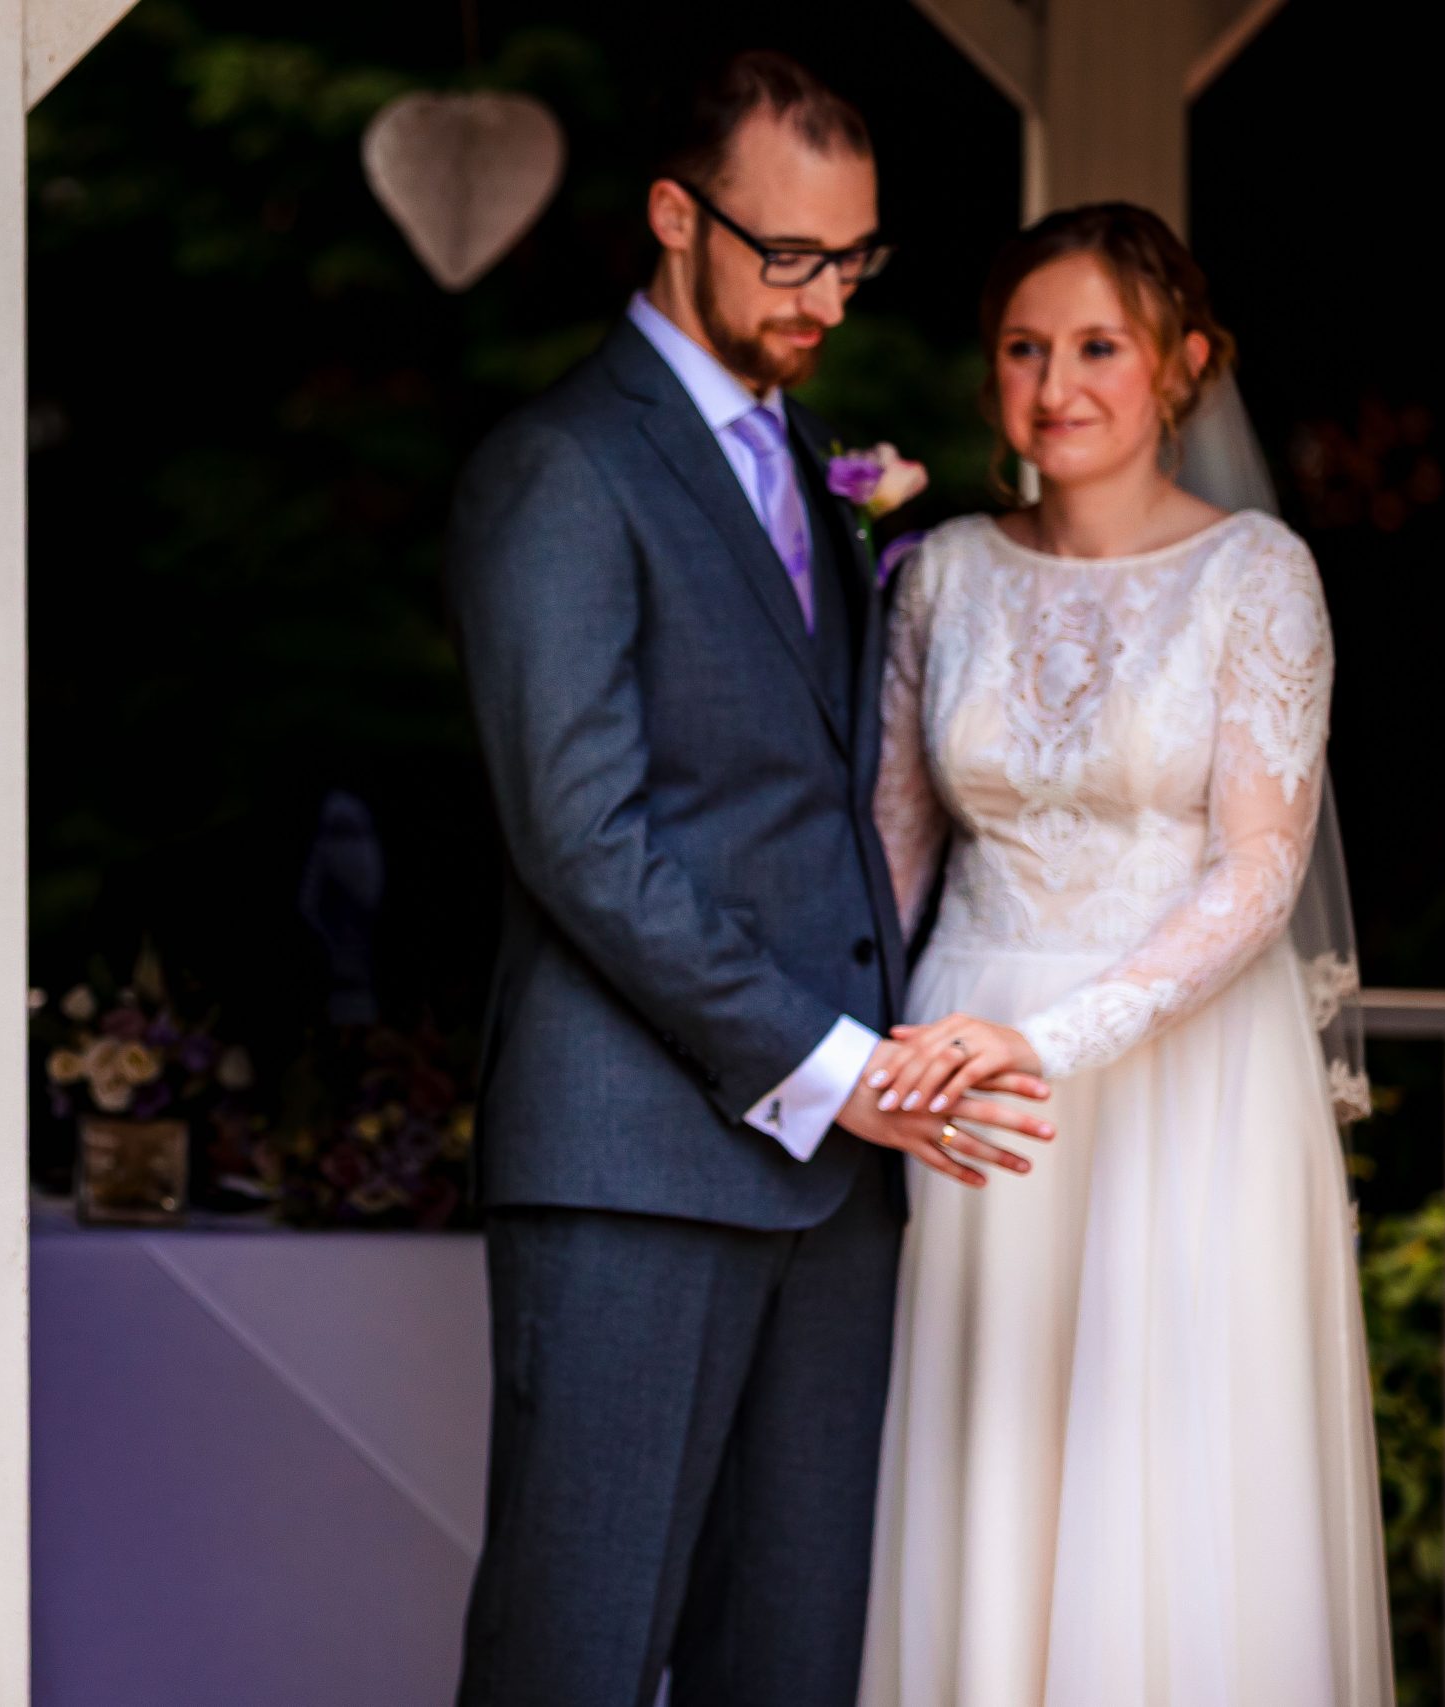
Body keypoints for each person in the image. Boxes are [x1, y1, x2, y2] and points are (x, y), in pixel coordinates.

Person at [445, 52, 1053, 1706]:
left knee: (787, 1662)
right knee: (574, 1654)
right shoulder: (560, 472)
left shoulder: (813, 464)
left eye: (853, 261)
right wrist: (838, 1067)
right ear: (672, 216)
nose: (825, 300)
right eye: (789, 256)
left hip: (840, 1183)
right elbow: (585, 836)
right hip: (638, 1159)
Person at [856, 204, 1393, 1705]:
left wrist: (1061, 1036)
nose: (1056, 382)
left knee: (1162, 1483)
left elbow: (1258, 868)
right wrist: (848, 1052)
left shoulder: (1257, 572)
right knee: (985, 1457)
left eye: (1098, 344)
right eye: (1024, 347)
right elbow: (893, 861)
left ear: (1182, 365)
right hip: (963, 1069)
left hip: (1178, 1076)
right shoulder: (942, 573)